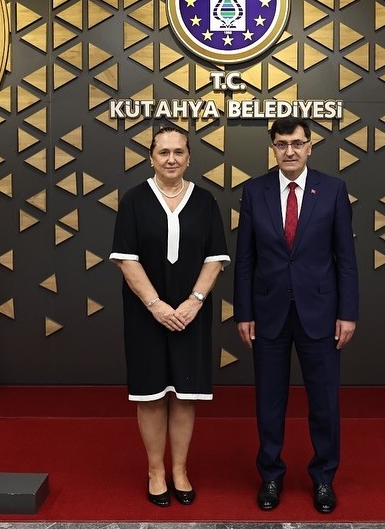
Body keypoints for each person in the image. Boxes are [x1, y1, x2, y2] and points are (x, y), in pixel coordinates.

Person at [234, 117, 359, 514]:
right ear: (273, 148)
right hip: (268, 313)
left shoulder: (333, 190)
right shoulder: (254, 191)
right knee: (269, 402)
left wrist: (348, 313)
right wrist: (243, 312)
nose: (290, 151)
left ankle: (323, 478)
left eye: (297, 143)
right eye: (282, 144)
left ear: (310, 147)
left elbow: (345, 258)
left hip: (320, 313)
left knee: (324, 403)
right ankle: (271, 475)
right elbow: (245, 259)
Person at [110, 127, 229, 508]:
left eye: (179, 151)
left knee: (184, 395)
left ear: (189, 157)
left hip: (191, 315)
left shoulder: (205, 201)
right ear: (151, 158)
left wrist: (194, 302)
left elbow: (215, 258)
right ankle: (155, 472)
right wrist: (156, 305)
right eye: (163, 152)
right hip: (146, 314)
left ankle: (179, 469)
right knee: (150, 396)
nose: (171, 159)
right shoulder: (134, 200)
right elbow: (126, 259)